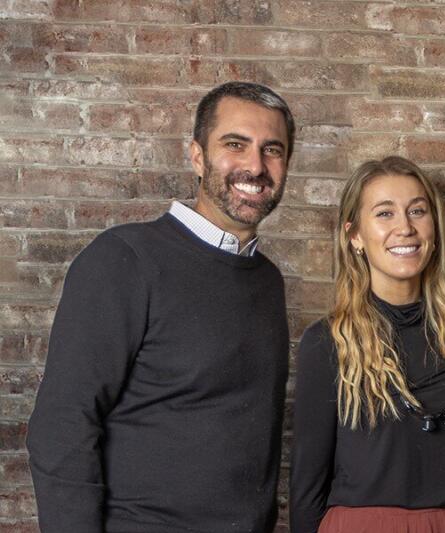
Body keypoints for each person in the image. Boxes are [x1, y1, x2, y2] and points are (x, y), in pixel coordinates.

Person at [26, 81, 295, 533]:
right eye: (235, 144)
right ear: (197, 156)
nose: (255, 165)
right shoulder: (126, 259)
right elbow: (62, 426)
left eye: (272, 150)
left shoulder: (267, 280)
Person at [289, 156, 445, 533]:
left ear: (434, 228)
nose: (405, 228)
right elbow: (307, 487)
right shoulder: (328, 342)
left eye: (417, 211)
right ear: (354, 235)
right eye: (385, 214)